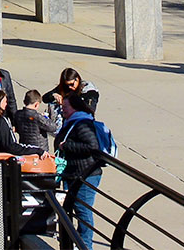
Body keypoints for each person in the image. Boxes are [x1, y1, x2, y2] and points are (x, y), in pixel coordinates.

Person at [56, 91, 115, 250]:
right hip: (73, 174)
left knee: (83, 211)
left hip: (86, 174)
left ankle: (85, 246)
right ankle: (74, 243)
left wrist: (66, 145)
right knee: (72, 209)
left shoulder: (82, 123)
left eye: (65, 107)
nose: (63, 110)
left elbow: (92, 146)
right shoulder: (72, 121)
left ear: (74, 107)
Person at [14, 88, 59, 155]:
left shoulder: (18, 114)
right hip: (40, 150)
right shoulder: (37, 117)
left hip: (25, 148)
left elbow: (17, 128)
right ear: (36, 104)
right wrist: (46, 117)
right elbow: (53, 127)